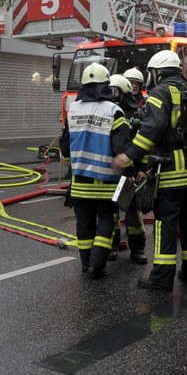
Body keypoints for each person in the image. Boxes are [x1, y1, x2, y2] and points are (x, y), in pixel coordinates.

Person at [113, 50, 187, 290]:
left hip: (171, 168)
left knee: (165, 222)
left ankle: (162, 277)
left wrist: (129, 155)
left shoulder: (160, 92)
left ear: (158, 72)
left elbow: (151, 130)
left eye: (152, 72)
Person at [60, 63, 130, 277]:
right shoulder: (113, 111)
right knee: (106, 221)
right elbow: (122, 148)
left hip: (79, 182)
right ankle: (96, 267)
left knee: (84, 225)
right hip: (105, 182)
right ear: (106, 85)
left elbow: (65, 147)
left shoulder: (73, 110)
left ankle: (85, 265)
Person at [106, 73, 147, 265]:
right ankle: (112, 246)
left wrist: (141, 168)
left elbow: (142, 144)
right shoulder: (107, 111)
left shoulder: (136, 113)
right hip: (111, 169)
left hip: (130, 170)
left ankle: (137, 249)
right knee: (110, 211)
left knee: (132, 212)